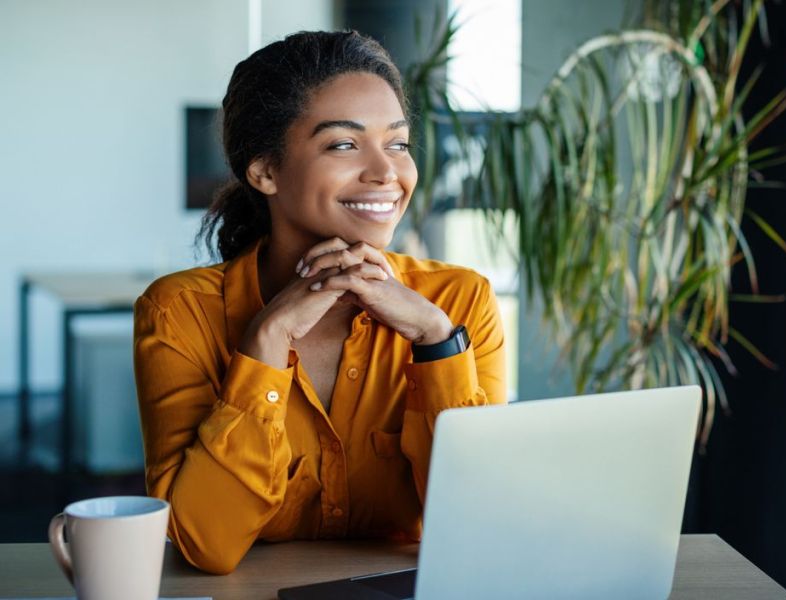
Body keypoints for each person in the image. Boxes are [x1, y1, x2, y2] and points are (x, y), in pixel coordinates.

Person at [133, 30, 506, 575]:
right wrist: (264, 344)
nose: (387, 173)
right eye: (343, 144)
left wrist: (436, 343)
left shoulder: (456, 303)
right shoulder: (178, 313)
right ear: (264, 171)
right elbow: (204, 544)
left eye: (398, 144)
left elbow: (484, 524)